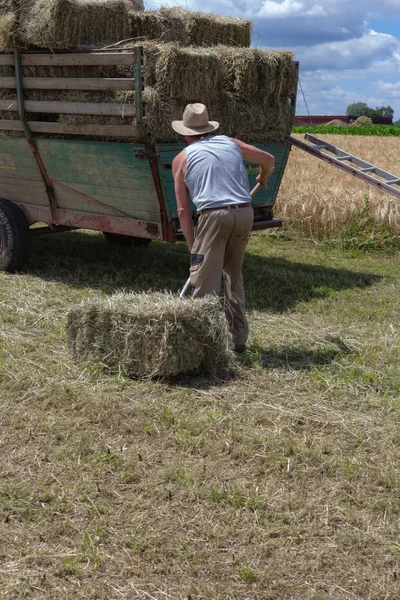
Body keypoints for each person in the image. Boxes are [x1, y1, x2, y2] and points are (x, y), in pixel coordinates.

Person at [172, 103, 275, 353]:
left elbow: (184, 211)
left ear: (185, 133)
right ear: (208, 128)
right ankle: (238, 338)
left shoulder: (182, 158)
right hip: (244, 213)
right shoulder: (230, 142)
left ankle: (201, 345)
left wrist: (193, 248)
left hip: (214, 216)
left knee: (204, 283)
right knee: (232, 276)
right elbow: (268, 159)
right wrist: (264, 175)